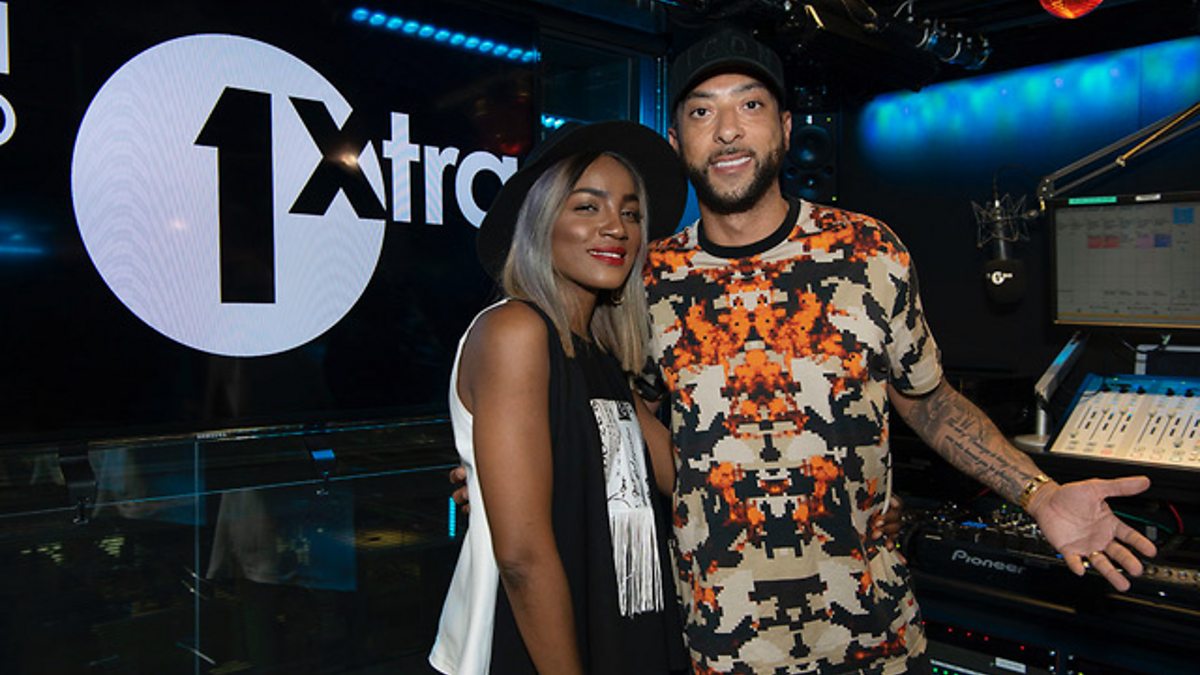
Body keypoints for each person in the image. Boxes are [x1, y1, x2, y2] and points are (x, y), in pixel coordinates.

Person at [642, 25, 1158, 674]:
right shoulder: (649, 281)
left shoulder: (867, 251)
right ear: (675, 139)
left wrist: (1038, 495)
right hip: (721, 645)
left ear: (785, 127)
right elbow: (630, 419)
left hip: (872, 637)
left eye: (750, 104)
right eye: (701, 112)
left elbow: (929, 403)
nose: (726, 131)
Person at [428, 121, 691, 675]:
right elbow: (522, 558)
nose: (616, 227)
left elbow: (682, 479)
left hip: (622, 632)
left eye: (631, 213)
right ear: (542, 221)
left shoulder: (601, 357)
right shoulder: (516, 331)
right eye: (587, 207)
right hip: (538, 648)